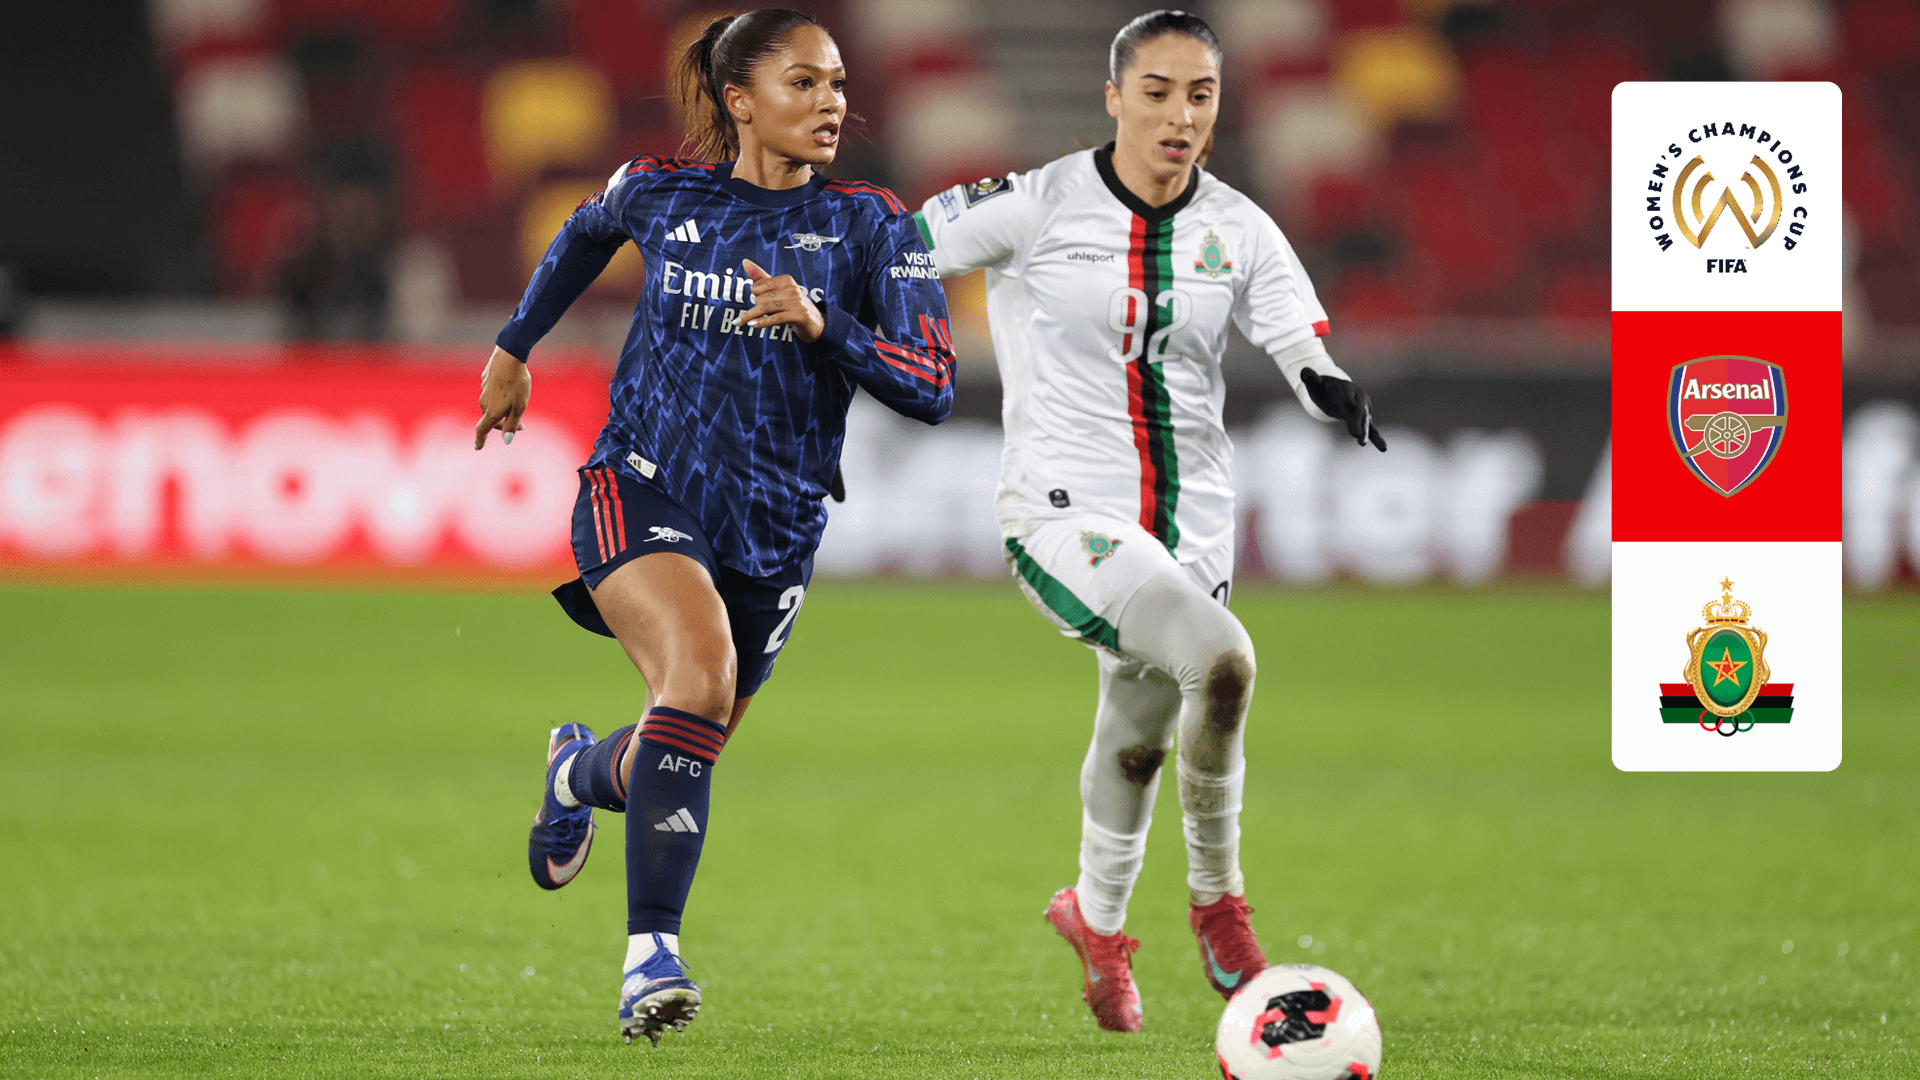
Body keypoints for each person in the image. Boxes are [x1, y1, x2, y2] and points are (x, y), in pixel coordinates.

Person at [473, 8, 955, 1045]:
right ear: (740, 100)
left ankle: (573, 772)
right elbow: (585, 231)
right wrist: (514, 347)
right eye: (802, 83)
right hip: (639, 487)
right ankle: (651, 959)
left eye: (837, 83)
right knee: (694, 683)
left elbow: (932, 384)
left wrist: (828, 326)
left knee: (678, 744)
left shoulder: (873, 225)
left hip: (775, 535)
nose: (830, 103)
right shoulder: (662, 192)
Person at [914, 10, 1386, 1033]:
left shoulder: (1239, 225)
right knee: (1222, 660)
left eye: (1200, 95)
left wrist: (1330, 388)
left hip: (1193, 522)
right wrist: (845, 333)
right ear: (1115, 98)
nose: (1180, 116)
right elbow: (900, 252)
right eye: (1158, 92)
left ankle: (1095, 920)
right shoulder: (1036, 203)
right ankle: (1221, 907)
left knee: (1138, 736)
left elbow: (1297, 339)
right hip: (1061, 512)